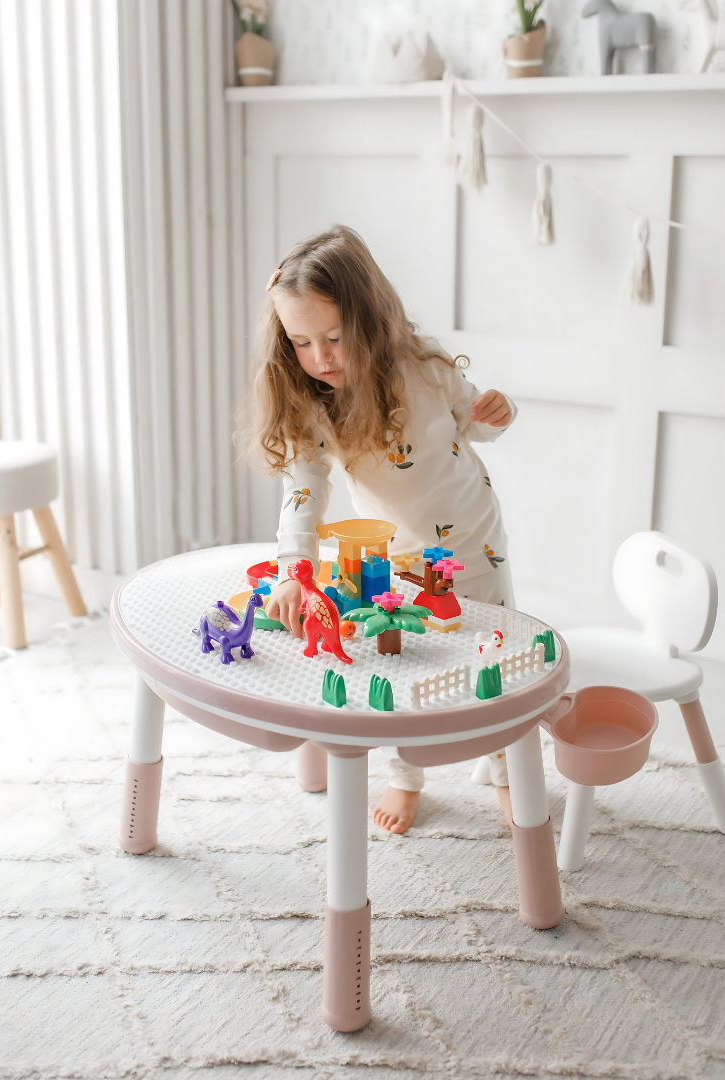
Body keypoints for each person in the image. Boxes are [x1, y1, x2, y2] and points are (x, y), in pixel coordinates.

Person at [246, 225, 518, 833]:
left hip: (475, 543)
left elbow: (477, 424)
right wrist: (296, 571)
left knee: (491, 662)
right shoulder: (317, 403)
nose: (320, 358)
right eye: (302, 342)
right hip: (391, 560)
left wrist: (496, 413)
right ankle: (404, 777)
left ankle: (505, 772)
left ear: (368, 321)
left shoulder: (427, 371)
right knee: (399, 664)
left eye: (335, 338)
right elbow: (303, 492)